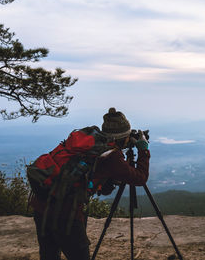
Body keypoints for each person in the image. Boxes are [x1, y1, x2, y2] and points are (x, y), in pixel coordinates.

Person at [30, 108, 150, 260]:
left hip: (41, 204)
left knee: (49, 255)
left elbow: (102, 183)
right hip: (66, 213)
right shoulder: (112, 156)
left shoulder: (91, 143)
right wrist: (143, 150)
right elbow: (140, 178)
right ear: (123, 137)